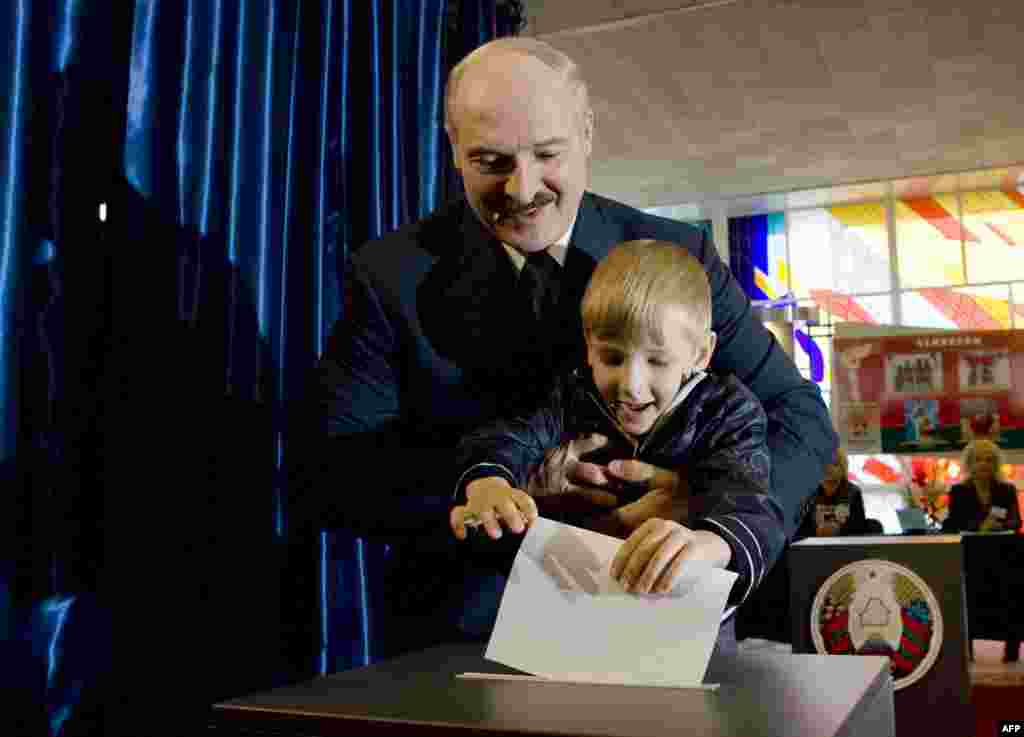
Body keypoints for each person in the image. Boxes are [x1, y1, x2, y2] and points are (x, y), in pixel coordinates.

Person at [311, 36, 835, 657]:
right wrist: (501, 490)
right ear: (452, 148)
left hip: (665, 627)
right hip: (462, 640)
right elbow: (337, 474)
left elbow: (799, 419)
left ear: (587, 132)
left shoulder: (678, 256)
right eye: (490, 161)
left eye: (547, 154)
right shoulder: (388, 275)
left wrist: (718, 512)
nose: (521, 188)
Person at [449, 241, 781, 633]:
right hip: (572, 614)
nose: (631, 386)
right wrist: (489, 483)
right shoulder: (566, 397)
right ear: (588, 347)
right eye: (612, 358)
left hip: (686, 628)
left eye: (657, 361)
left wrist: (709, 544)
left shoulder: (729, 412)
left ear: (701, 353)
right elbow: (508, 436)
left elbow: (749, 501)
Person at [942, 439, 1021, 662]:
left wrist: (1001, 526)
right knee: (969, 596)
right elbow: (953, 523)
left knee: (1012, 589)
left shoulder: (1006, 490)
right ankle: (967, 650)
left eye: (988, 460)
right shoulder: (958, 491)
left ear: (995, 463)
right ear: (969, 463)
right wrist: (979, 526)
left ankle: (1012, 648)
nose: (984, 464)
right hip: (971, 553)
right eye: (978, 460)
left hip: (1002, 552)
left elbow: (1016, 521)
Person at [796, 448, 867, 538]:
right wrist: (816, 531)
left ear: (843, 468)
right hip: (814, 546)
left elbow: (859, 528)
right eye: (824, 464)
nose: (828, 468)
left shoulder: (853, 492)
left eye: (834, 464)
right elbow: (799, 529)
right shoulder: (809, 492)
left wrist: (839, 530)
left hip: (844, 546)